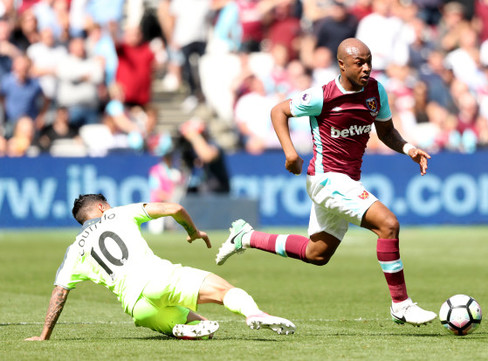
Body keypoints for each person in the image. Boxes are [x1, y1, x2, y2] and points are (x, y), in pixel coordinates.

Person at [216, 38, 437, 326]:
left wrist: (409, 149)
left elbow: (386, 131)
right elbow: (278, 111)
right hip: (326, 179)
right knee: (388, 224)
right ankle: (401, 305)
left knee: (317, 253)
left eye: (369, 61)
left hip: (347, 180)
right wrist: (290, 153)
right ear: (342, 65)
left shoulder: (375, 91)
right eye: (360, 63)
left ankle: (245, 236)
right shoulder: (322, 96)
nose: (367, 68)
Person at [25, 194, 295, 341]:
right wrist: (193, 231)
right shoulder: (116, 214)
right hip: (157, 279)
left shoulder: (75, 249)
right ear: (101, 207)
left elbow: (59, 293)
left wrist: (43, 335)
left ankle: (178, 329)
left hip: (136, 307)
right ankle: (255, 313)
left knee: (203, 328)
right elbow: (174, 207)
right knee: (225, 291)